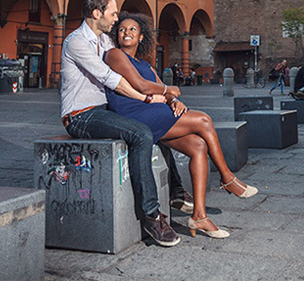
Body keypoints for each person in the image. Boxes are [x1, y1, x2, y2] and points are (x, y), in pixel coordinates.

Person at [105, 12, 258, 239]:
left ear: (141, 37)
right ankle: (227, 178)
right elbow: (141, 86)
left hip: (152, 113)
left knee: (198, 146)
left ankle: (200, 215)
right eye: (122, 29)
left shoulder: (146, 64)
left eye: (132, 30)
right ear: (117, 36)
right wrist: (170, 91)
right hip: (133, 113)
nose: (126, 32)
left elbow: (157, 86)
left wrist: (174, 100)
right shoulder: (115, 55)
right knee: (204, 120)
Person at [59, 0, 179, 247]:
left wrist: (165, 95)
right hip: (81, 116)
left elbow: (133, 68)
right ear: (96, 13)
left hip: (105, 111)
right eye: (112, 13)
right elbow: (111, 78)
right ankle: (151, 215)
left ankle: (178, 190)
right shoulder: (76, 41)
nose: (116, 19)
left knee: (157, 122)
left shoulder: (105, 43)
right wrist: (148, 98)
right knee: (141, 133)